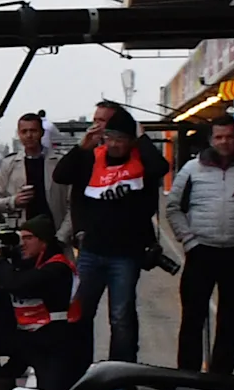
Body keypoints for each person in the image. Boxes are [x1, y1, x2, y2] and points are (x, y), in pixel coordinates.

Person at [50, 104, 166, 364]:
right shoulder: (92, 158)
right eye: (109, 137)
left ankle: (120, 373)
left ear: (131, 140)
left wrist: (142, 136)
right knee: (81, 312)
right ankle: (79, 368)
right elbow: (61, 175)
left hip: (126, 254)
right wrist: (82, 147)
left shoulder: (141, 162)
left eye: (120, 139)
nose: (114, 144)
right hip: (91, 250)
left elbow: (161, 167)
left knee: (121, 316)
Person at [165, 123, 234, 376]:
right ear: (210, 140)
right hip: (201, 253)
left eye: (229, 136)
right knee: (192, 320)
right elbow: (173, 207)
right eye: (219, 137)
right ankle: (187, 376)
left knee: (229, 321)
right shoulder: (192, 170)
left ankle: (221, 378)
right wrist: (188, 240)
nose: (224, 142)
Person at [0, 209, 86, 390]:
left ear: (43, 241)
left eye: (28, 238)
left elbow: (17, 284)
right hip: (33, 339)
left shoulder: (57, 267)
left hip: (58, 341)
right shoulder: (34, 263)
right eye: (21, 238)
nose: (22, 243)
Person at [0, 111, 56, 235]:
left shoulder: (57, 162)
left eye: (33, 131)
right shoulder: (9, 164)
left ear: (42, 133)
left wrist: (63, 236)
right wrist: (14, 201)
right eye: (24, 132)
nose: (29, 135)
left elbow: (70, 203)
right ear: (19, 134)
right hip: (21, 231)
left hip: (52, 231)